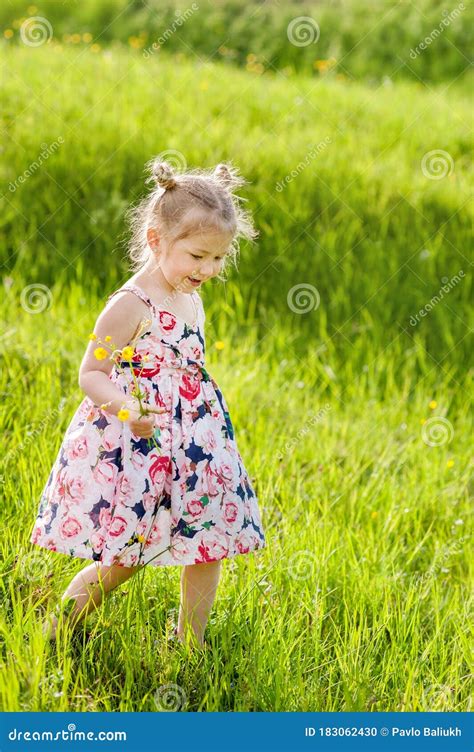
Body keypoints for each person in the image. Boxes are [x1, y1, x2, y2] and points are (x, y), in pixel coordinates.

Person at [30, 157, 266, 648]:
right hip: (143, 448)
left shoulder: (190, 294)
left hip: (197, 445)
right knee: (125, 557)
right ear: (157, 241)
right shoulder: (131, 304)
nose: (209, 269)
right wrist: (126, 409)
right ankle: (54, 630)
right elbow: (91, 372)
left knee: (208, 544)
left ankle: (190, 641)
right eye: (198, 256)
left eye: (219, 259)